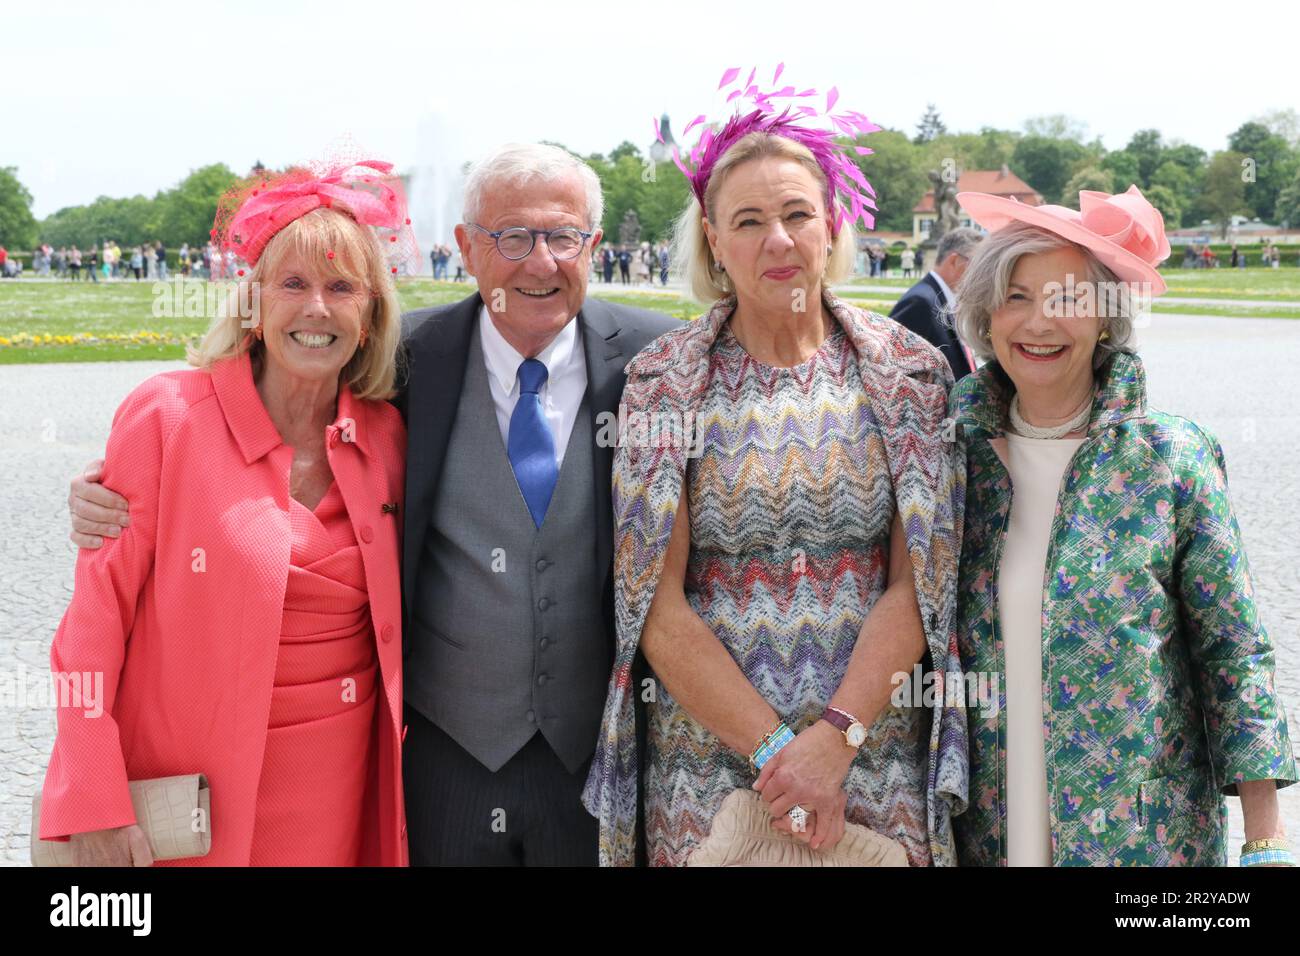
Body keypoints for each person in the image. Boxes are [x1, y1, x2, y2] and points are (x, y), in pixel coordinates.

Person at [583, 76, 967, 867]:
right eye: (749, 222)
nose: (779, 241)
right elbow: (655, 607)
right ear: (715, 245)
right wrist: (778, 759)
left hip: (872, 757)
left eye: (797, 214)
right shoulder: (663, 381)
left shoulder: (910, 373)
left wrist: (833, 742)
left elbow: (918, 582)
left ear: (831, 225)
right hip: (712, 772)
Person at [46, 158, 412, 866]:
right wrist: (92, 796)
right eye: (294, 285)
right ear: (253, 303)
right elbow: (89, 633)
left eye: (342, 287)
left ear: (370, 316)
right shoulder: (167, 419)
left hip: (342, 797)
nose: (316, 309)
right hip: (192, 806)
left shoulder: (387, 439)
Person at [948, 184, 1297, 866]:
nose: (1039, 323)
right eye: (1017, 296)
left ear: (1107, 320)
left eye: (1069, 300)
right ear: (986, 317)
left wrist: (1264, 834)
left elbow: (1234, 654)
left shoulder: (1172, 459)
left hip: (1142, 842)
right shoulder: (948, 463)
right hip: (985, 835)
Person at [889, 226, 981, 381]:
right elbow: (890, 368)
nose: (982, 273)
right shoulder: (920, 302)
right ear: (955, 261)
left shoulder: (940, 297)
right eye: (978, 264)